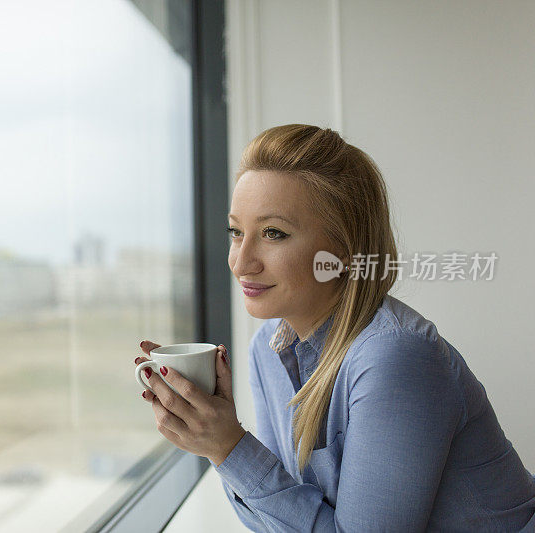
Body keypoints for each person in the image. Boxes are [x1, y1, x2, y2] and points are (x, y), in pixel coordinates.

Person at [134, 124, 535, 531]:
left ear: (342, 249)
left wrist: (227, 448)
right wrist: (218, 443)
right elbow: (282, 519)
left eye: (273, 233)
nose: (241, 262)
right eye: (236, 232)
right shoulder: (266, 349)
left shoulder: (395, 355)